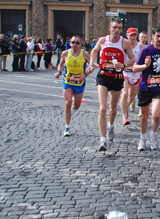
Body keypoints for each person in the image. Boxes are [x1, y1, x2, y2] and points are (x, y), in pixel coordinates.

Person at [89, 19, 136, 152]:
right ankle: (102, 140)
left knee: (112, 108)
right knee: (102, 108)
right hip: (103, 76)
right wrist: (92, 64)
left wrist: (123, 65)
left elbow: (133, 59)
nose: (117, 30)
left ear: (121, 30)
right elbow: (94, 51)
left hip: (116, 78)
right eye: (114, 27)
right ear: (110, 28)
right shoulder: (103, 40)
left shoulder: (124, 42)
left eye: (119, 28)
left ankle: (110, 126)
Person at [132, 26, 160, 152]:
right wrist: (145, 65)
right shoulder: (146, 50)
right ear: (153, 36)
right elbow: (134, 68)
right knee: (145, 116)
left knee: (156, 115)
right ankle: (142, 137)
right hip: (145, 86)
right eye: (157, 36)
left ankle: (153, 135)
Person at [54, 35, 92, 137]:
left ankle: (72, 110)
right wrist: (58, 72)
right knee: (68, 102)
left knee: (76, 105)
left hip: (79, 83)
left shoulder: (84, 54)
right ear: (70, 43)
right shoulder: (65, 53)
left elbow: (91, 66)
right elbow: (60, 64)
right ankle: (67, 126)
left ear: (81, 44)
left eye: (77, 43)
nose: (74, 45)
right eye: (72, 42)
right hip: (68, 81)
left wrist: (86, 74)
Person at [120, 28, 142, 126]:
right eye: (130, 35)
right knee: (124, 93)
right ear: (127, 35)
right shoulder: (123, 45)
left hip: (136, 73)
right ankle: (124, 116)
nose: (132, 37)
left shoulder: (140, 46)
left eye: (134, 35)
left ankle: (127, 106)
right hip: (125, 72)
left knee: (131, 95)